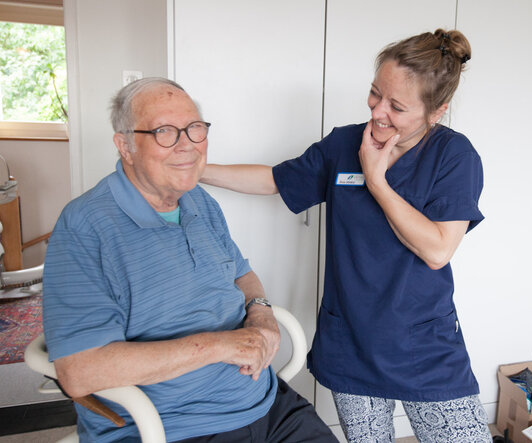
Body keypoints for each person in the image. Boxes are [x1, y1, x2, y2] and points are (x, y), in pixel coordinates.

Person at [201, 29, 492, 442]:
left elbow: (437, 249)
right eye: (375, 93)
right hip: (351, 342)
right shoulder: (343, 144)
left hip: (423, 346)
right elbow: (275, 179)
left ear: (436, 112)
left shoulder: (454, 156)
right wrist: (196, 170)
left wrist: (376, 181)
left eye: (397, 106)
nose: (378, 111)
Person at [42, 77, 337, 443]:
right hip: (173, 426)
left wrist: (261, 314)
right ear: (125, 146)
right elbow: (79, 372)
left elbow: (242, 274)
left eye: (195, 128)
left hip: (264, 402)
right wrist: (220, 346)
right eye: (164, 131)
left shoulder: (198, 200)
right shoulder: (85, 226)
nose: (187, 145)